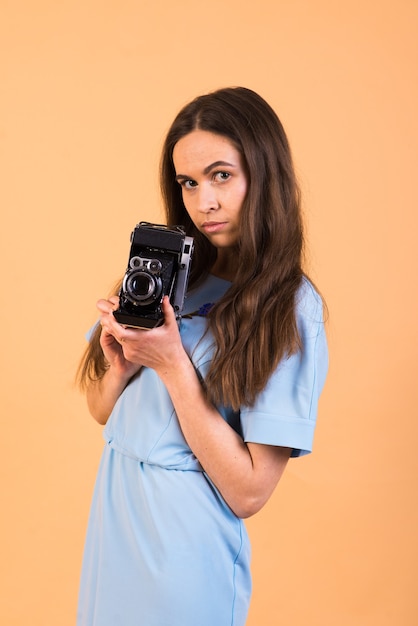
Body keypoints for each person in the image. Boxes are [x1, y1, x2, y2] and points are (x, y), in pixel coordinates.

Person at [76, 86, 328, 626]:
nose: (203, 202)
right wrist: (121, 370)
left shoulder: (289, 308)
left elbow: (249, 491)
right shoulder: (167, 275)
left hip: (182, 543)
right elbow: (103, 412)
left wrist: (171, 366)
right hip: (114, 520)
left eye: (221, 176)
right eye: (188, 182)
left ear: (265, 173)